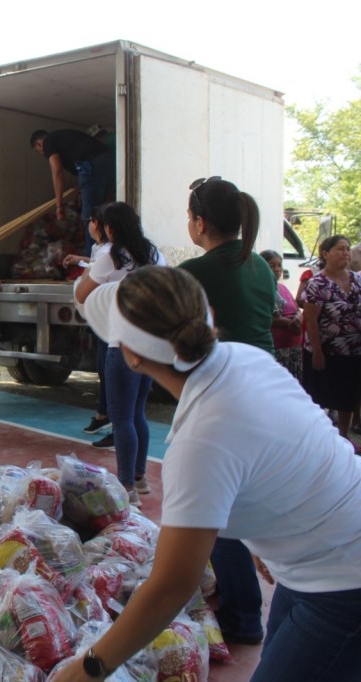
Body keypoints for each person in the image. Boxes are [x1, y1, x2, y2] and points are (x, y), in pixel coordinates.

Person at [53, 265, 361, 682]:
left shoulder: (200, 439)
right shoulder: (245, 358)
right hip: (316, 560)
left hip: (343, 579)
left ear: (131, 354)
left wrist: (91, 667)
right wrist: (261, 537)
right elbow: (287, 448)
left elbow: (171, 586)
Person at [178, 176, 276, 645]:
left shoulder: (199, 269)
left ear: (199, 222)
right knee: (248, 498)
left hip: (227, 393)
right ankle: (244, 600)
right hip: (269, 387)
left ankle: (243, 616)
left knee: (220, 509)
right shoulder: (258, 263)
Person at [74, 202, 164, 506]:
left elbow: (81, 294)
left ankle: (126, 487)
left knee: (121, 417)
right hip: (148, 343)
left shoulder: (111, 256)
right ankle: (139, 476)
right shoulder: (153, 254)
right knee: (138, 412)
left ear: (109, 228)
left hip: (120, 342)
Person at [302, 234, 361, 441]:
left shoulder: (357, 279)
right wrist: (317, 353)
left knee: (348, 396)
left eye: (347, 248)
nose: (345, 253)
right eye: (339, 249)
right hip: (325, 351)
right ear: (325, 254)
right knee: (320, 396)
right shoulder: (317, 283)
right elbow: (310, 320)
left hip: (352, 350)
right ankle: (319, 438)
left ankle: (344, 437)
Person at [63, 206, 112, 441]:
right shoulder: (100, 249)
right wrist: (82, 261)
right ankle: (104, 414)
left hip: (110, 322)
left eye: (91, 221)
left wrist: (84, 278)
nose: (89, 225)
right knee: (104, 369)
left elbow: (83, 292)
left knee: (111, 371)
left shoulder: (111, 253)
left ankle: (111, 418)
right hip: (103, 320)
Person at [30, 128, 115, 255]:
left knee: (90, 218)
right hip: (109, 162)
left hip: (92, 166)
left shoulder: (48, 142)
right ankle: (110, 254)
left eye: (39, 151)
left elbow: (57, 172)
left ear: (38, 144)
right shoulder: (65, 136)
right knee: (103, 214)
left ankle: (92, 261)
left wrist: (59, 206)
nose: (43, 154)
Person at [261, 249, 304, 381]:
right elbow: (264, 317)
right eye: (272, 266)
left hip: (294, 349)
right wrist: (288, 323)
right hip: (277, 350)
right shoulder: (260, 289)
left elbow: (297, 309)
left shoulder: (283, 288)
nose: (277, 269)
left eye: (279, 265)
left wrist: (298, 319)